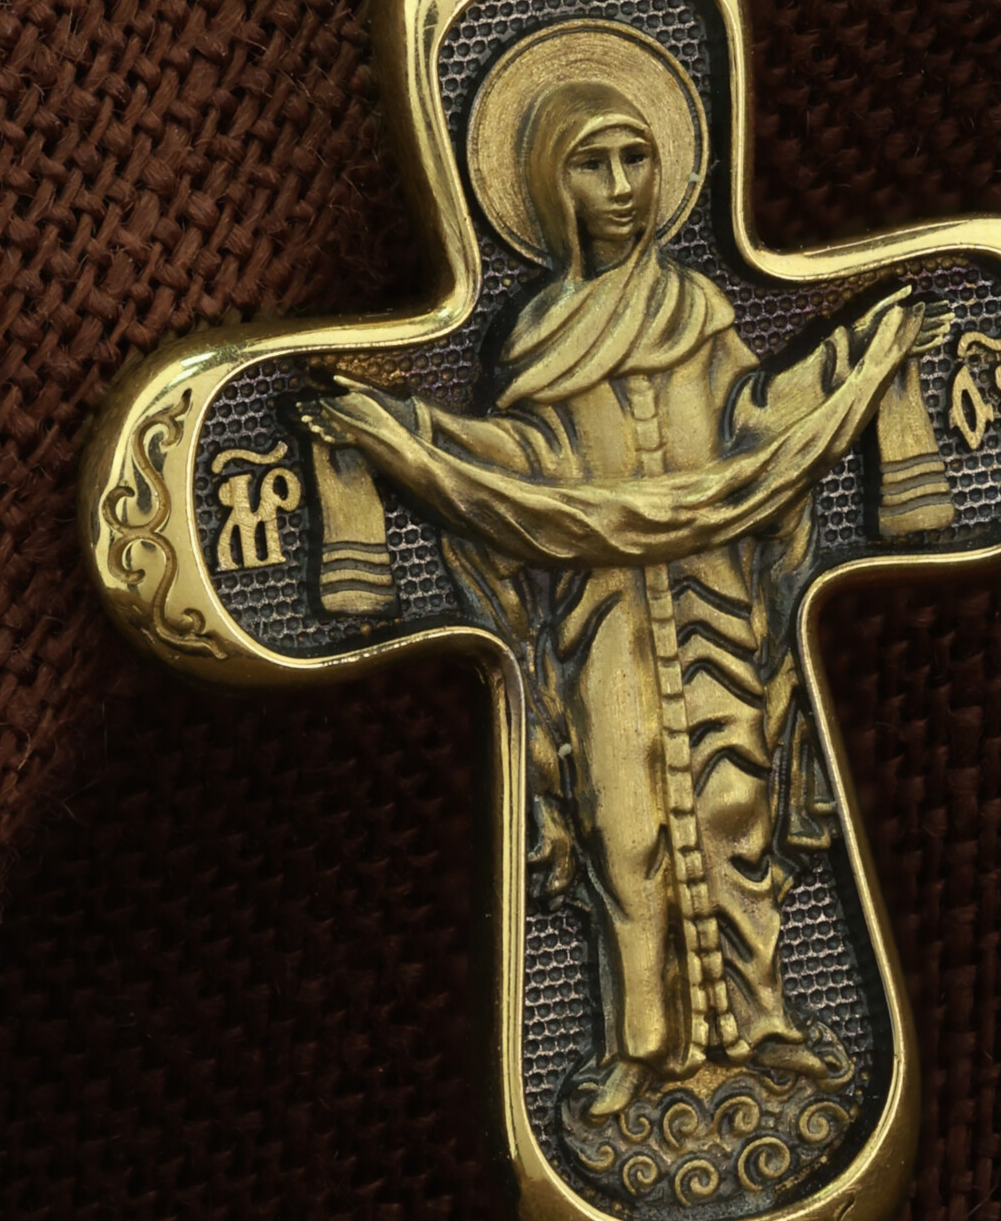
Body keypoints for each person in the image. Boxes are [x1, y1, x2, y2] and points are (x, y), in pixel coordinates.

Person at [304, 65, 947, 1120]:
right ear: (546, 186)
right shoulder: (536, 332)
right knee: (626, 828)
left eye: (636, 158)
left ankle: (768, 1021)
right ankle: (639, 1045)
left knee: (735, 810)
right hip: (601, 620)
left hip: (716, 600)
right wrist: (406, 435)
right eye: (592, 164)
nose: (620, 186)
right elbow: (524, 464)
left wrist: (852, 362)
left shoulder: (695, 306)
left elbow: (751, 419)